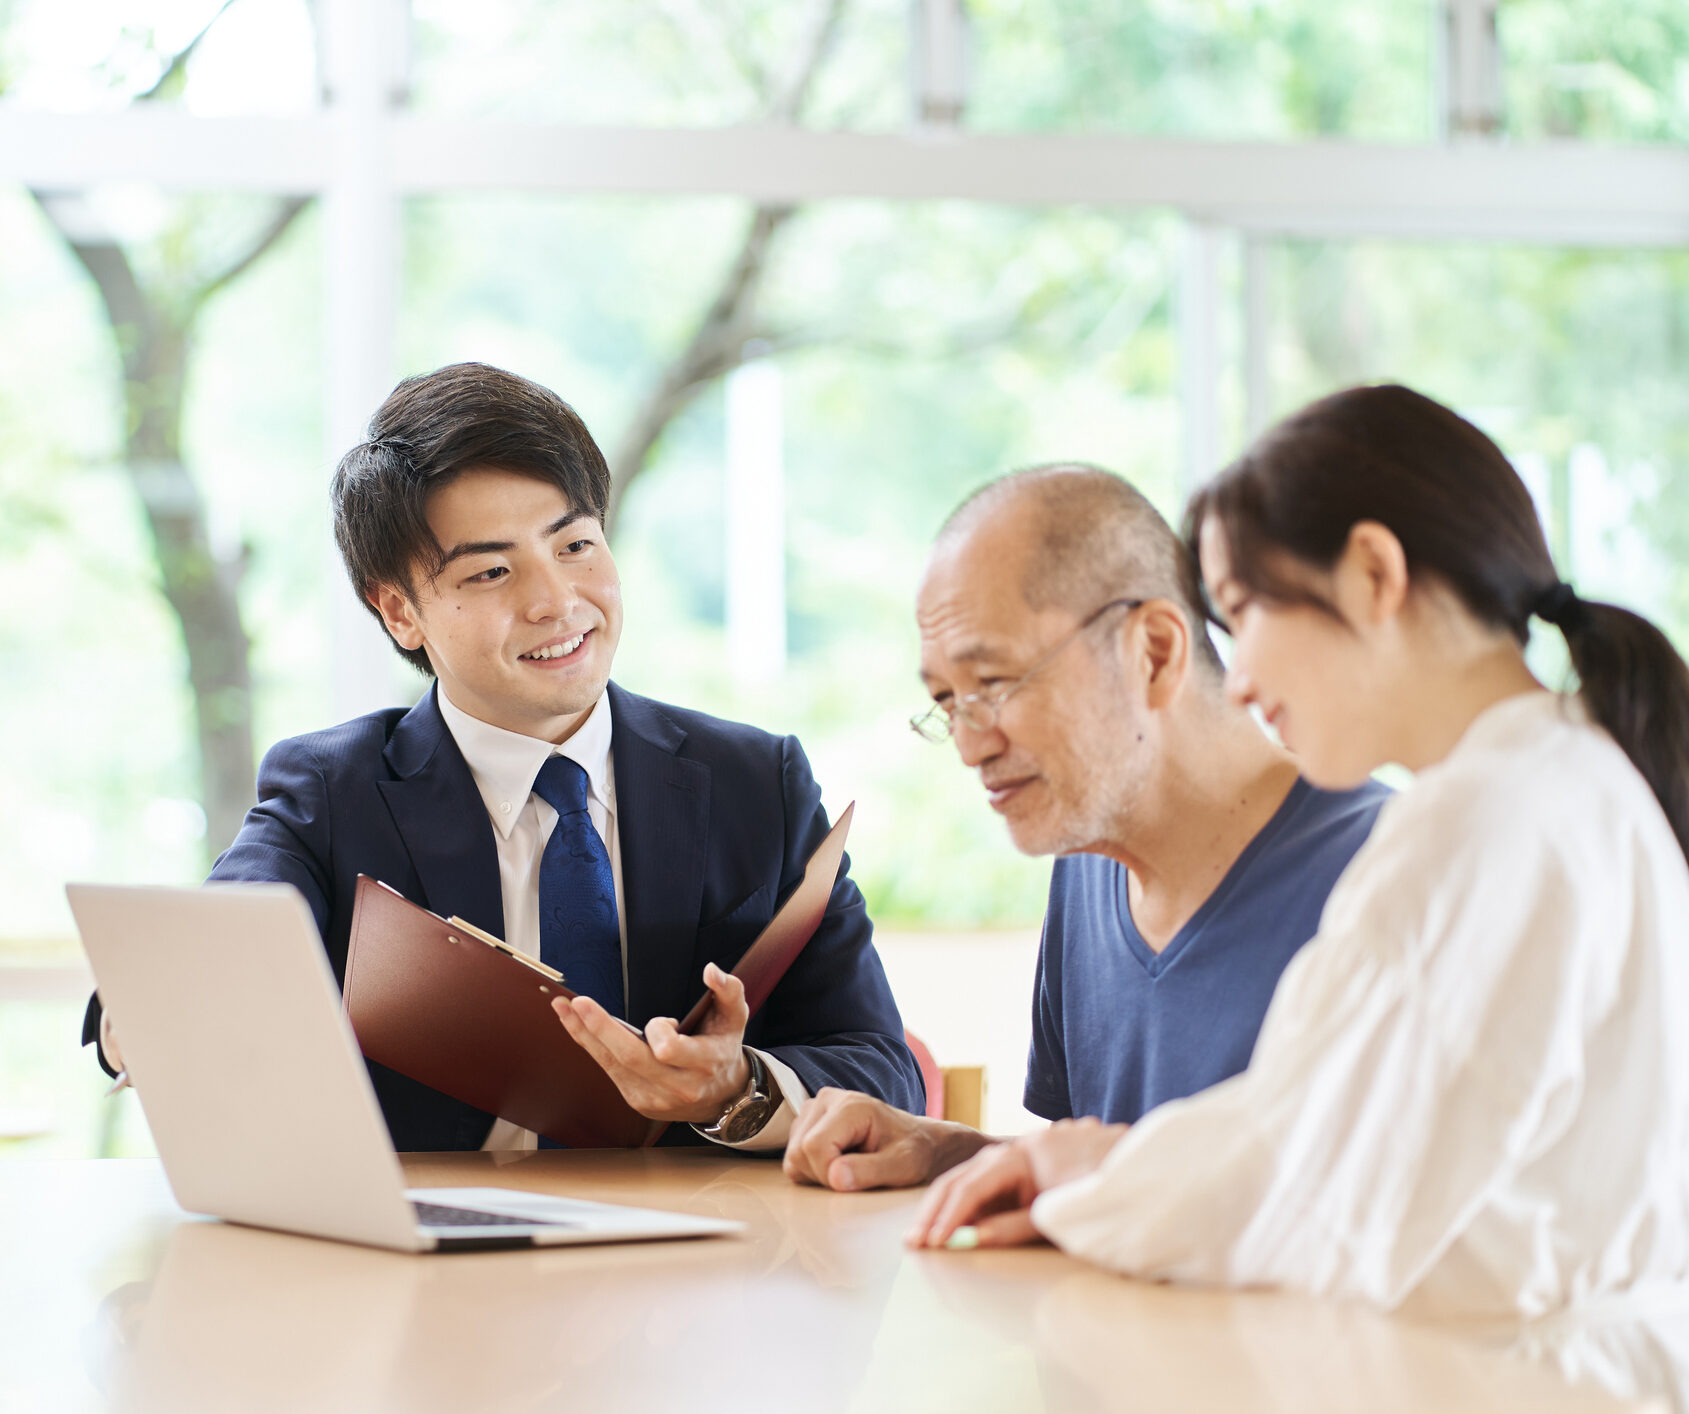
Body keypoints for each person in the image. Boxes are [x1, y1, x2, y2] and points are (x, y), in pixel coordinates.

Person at [908, 385, 1689, 1319]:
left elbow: (1313, 1190)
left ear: (1370, 574)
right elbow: (1329, 1129)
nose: (1237, 679)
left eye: (1242, 612)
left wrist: (1098, 1170)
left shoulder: (1482, 816)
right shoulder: (1553, 777)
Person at [86, 361, 922, 1151]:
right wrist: (152, 1015)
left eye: (575, 546)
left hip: (704, 1255)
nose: (555, 602)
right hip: (431, 1266)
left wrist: (734, 1089)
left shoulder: (757, 783)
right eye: (490, 572)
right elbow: (230, 934)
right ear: (401, 613)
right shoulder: (333, 792)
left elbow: (882, 1070)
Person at [782, 465, 1388, 1191]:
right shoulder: (1089, 861)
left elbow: (1378, 1213)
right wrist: (947, 1151)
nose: (971, 745)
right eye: (947, 701)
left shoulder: (1386, 872)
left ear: (1153, 651)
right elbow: (1116, 1174)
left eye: (995, 683)